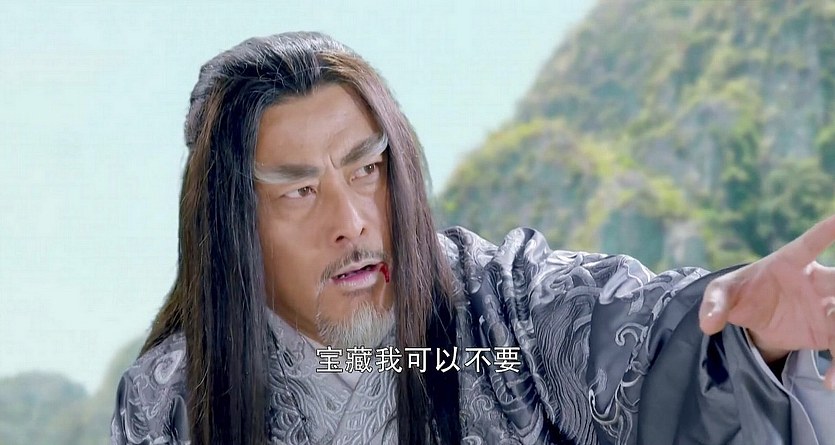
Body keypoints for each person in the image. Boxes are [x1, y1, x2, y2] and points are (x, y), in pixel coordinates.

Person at [110, 32, 835, 445]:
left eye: (367, 169)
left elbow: (632, 330)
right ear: (232, 223)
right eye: (299, 191)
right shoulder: (168, 400)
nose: (351, 221)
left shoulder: (502, 310)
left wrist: (746, 330)